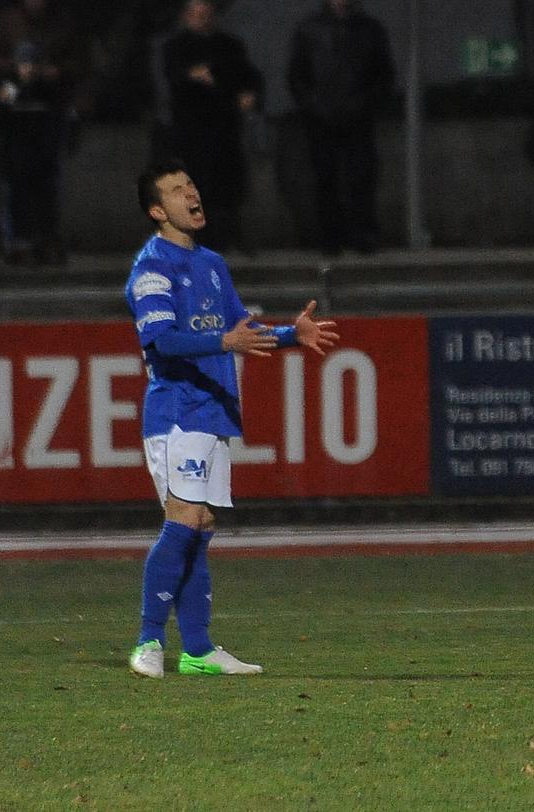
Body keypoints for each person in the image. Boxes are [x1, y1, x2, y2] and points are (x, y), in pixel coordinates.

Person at [125, 159, 339, 678]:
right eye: (177, 190)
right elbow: (163, 340)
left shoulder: (213, 264)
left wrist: (291, 334)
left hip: (214, 411)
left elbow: (241, 329)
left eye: (192, 185)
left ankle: (197, 650)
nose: (191, 194)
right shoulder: (152, 268)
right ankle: (148, 642)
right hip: (177, 411)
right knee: (183, 522)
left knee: (202, 526)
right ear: (158, 210)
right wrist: (223, 340)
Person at [287, 0, 395, 256]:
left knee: (361, 177)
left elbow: (383, 74)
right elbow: (297, 75)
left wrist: (365, 103)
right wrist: (313, 105)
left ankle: (362, 236)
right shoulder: (309, 29)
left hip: (358, 117)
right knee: (326, 179)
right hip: (321, 119)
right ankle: (330, 238)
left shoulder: (369, 29)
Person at [0, 0, 85, 265]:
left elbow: (78, 63)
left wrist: (53, 73)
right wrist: (15, 71)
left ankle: (46, 239)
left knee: (47, 183)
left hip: (48, 116)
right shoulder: (7, 22)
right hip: (16, 123)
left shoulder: (63, 23)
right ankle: (19, 240)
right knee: (16, 184)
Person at [160, 0, 262, 252]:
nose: (202, 18)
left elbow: (248, 77)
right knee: (197, 185)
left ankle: (228, 235)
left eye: (206, 14)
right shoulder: (176, 47)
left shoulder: (229, 46)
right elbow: (173, 81)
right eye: (197, 14)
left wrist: (248, 94)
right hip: (192, 130)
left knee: (226, 186)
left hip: (224, 128)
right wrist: (191, 77)